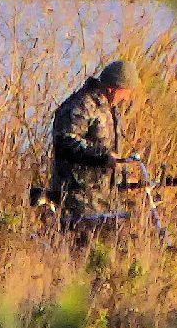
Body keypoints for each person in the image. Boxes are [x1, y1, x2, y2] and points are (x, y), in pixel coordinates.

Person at [49, 59, 135, 223]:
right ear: (113, 88)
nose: (127, 97)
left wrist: (124, 177)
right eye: (126, 91)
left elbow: (112, 151)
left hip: (106, 200)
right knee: (80, 246)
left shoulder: (110, 109)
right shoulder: (81, 105)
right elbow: (65, 141)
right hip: (79, 198)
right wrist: (102, 156)